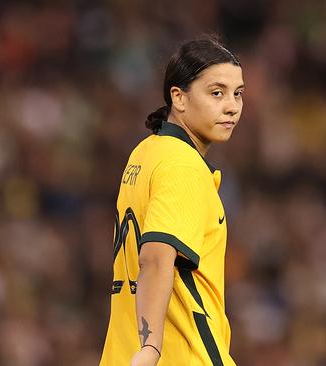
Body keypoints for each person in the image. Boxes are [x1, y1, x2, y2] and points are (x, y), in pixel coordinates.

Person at [99, 37, 244, 366]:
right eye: (216, 92)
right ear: (178, 97)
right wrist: (150, 348)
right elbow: (155, 257)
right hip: (182, 354)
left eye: (238, 93)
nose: (232, 106)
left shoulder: (146, 152)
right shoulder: (183, 166)